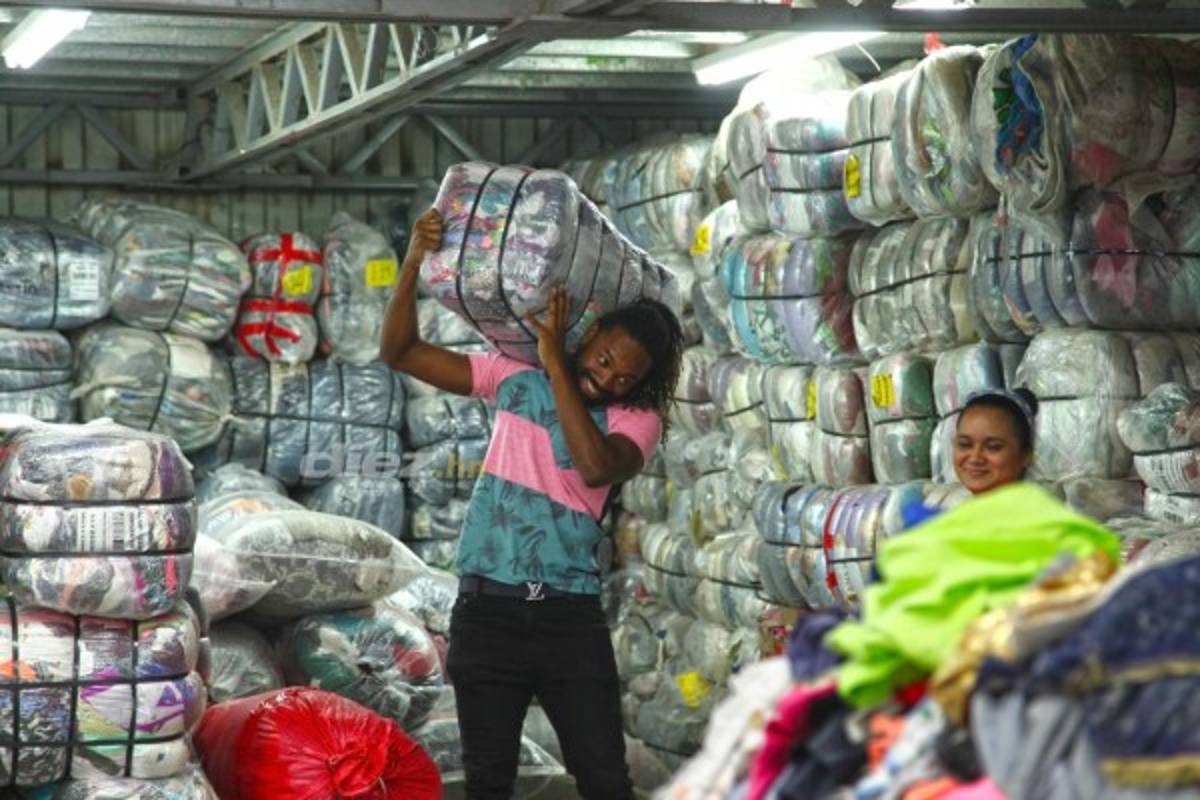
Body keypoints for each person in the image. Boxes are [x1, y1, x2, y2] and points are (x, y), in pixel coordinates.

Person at [380, 208, 685, 800]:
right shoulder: (513, 376)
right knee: (488, 782)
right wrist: (414, 261)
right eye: (602, 359)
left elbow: (595, 464)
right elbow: (401, 352)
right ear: (589, 332)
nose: (607, 378)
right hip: (487, 613)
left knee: (604, 779)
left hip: (568, 618)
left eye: (625, 376)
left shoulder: (636, 419)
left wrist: (555, 363)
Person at [953, 388, 1038, 496]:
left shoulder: (1036, 512)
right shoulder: (955, 511)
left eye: (993, 447)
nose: (975, 458)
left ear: (1026, 454)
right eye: (965, 444)